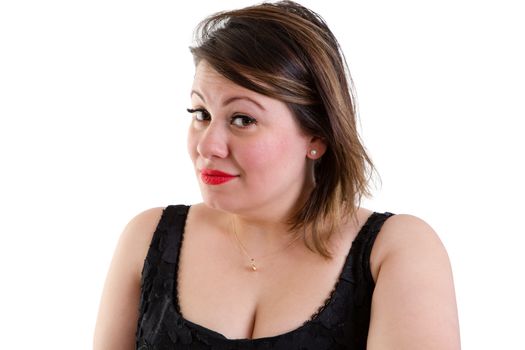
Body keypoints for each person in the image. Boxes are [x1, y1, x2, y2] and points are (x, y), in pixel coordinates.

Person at [94, 1, 460, 349]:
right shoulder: (147, 237)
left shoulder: (395, 250)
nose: (208, 146)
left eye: (243, 119)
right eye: (201, 113)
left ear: (316, 136)